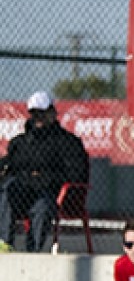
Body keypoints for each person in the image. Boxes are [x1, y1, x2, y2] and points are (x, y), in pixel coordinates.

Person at [0, 91, 89, 252]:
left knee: (41, 208)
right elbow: (10, 165)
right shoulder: (20, 143)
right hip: (24, 194)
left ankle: (32, 253)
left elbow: (78, 173)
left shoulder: (68, 142)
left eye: (42, 113)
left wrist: (45, 179)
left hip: (52, 195)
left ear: (52, 112)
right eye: (34, 113)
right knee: (8, 189)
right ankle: (4, 244)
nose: (38, 118)